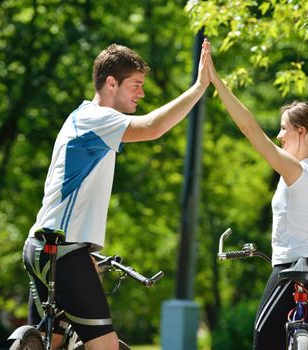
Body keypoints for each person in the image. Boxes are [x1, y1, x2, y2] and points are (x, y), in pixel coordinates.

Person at [23, 40, 211, 350]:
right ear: (111, 83)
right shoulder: (99, 119)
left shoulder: (80, 117)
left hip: (40, 247)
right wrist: (199, 87)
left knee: (51, 343)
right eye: (136, 85)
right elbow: (153, 127)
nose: (142, 93)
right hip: (63, 252)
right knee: (106, 346)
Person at [206, 42, 308, 349]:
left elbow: (249, 128)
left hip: (294, 269)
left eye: (283, 129)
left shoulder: (297, 171)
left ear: (302, 132)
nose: (279, 136)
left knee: (263, 339)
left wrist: (216, 80)